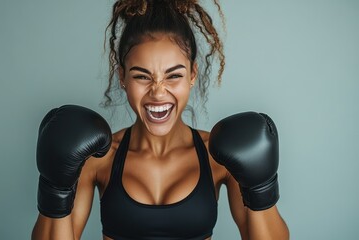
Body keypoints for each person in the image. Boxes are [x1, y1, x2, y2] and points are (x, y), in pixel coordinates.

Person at [31, 0, 290, 239]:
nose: (157, 91)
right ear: (122, 76)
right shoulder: (100, 159)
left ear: (192, 74)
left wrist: (260, 188)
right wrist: (56, 189)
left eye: (173, 76)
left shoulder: (217, 157)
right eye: (142, 76)